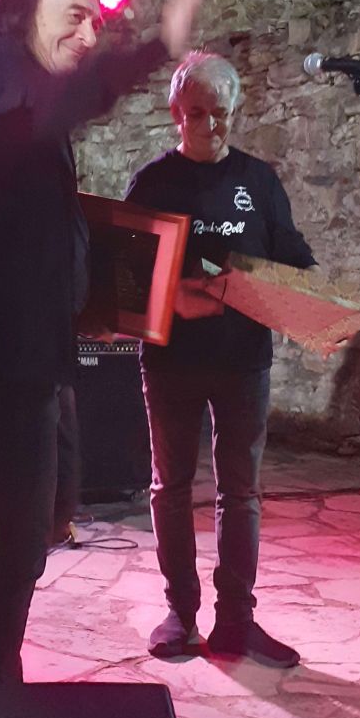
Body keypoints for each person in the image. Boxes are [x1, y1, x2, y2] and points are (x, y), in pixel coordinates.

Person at [0, 0, 209, 682]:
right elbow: (53, 115)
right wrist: (159, 45)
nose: (89, 33)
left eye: (97, 22)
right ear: (28, 5)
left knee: (43, 519)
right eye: (76, 14)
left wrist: (94, 303)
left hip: (36, 344)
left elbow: (41, 227)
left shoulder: (27, 96)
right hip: (0, 350)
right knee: (20, 539)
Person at [125, 51, 316, 667]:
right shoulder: (153, 184)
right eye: (198, 113)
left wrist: (311, 298)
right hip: (172, 360)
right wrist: (176, 292)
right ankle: (180, 613)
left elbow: (292, 255)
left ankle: (236, 621)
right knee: (171, 487)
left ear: (236, 111)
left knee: (242, 492)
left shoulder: (259, 181)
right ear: (175, 112)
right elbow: (127, 275)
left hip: (243, 360)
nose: (210, 125)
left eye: (222, 113)